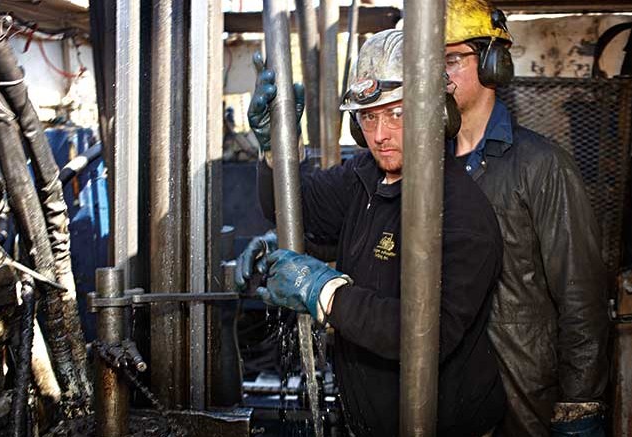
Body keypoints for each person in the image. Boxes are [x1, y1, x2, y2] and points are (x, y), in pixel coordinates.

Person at [238, 29, 505, 437]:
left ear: (436, 112)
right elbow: (294, 208)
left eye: (397, 114)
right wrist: (277, 149)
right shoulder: (363, 177)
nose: (380, 135)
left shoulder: (463, 213)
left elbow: (424, 335)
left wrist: (324, 293)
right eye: (369, 116)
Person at [442, 1, 610, 436]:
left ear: (493, 63)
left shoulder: (542, 165)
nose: (438, 73)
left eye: (451, 59)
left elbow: (581, 292)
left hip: (520, 390)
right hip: (447, 391)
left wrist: (581, 403)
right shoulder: (426, 169)